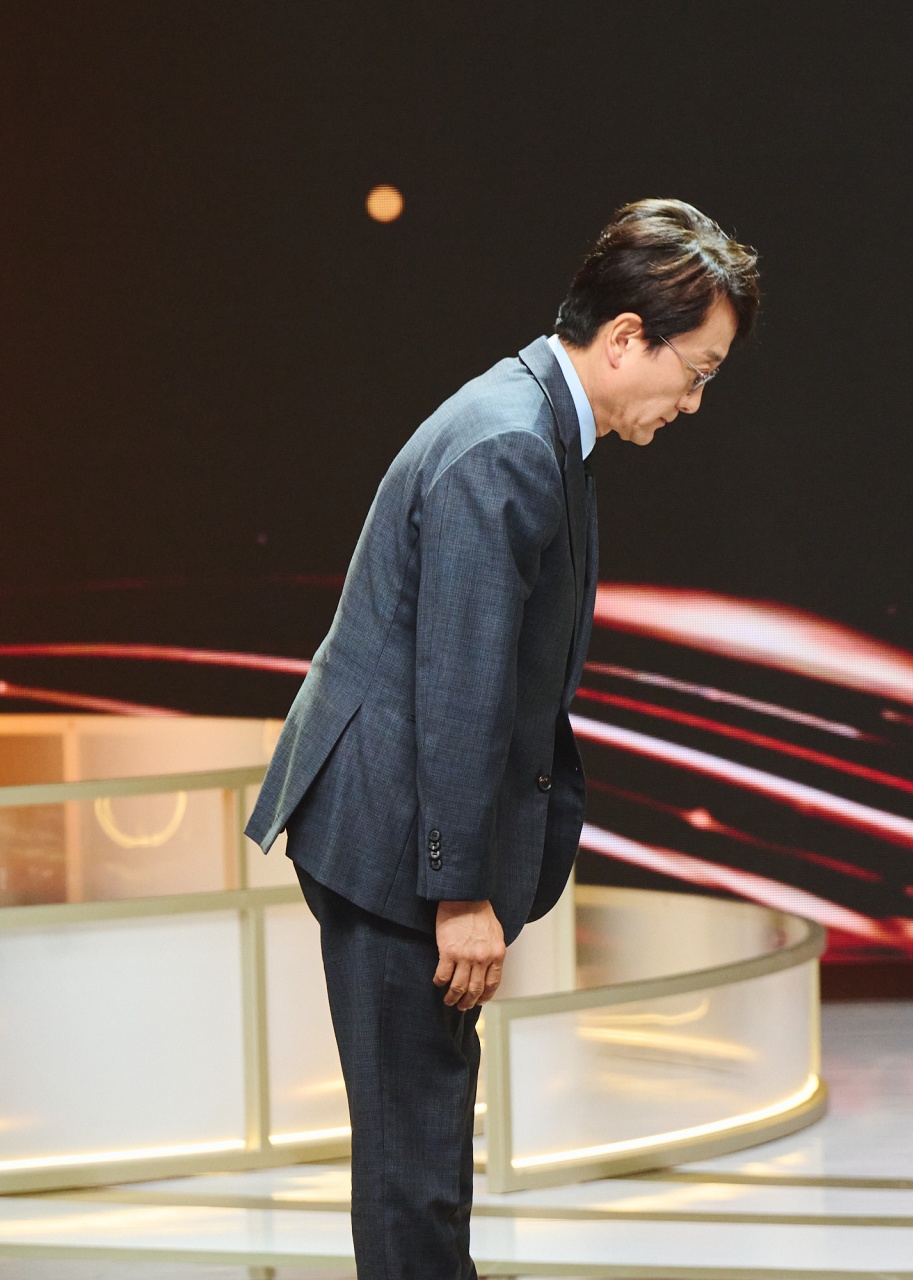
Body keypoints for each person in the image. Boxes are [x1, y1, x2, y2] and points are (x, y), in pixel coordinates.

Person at [245, 199, 759, 1277]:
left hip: (395, 824)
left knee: (422, 1153)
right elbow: (462, 687)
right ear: (627, 337)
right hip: (391, 840)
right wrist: (461, 893)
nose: (695, 402)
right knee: (415, 1171)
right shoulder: (511, 446)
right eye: (696, 372)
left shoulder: (535, 419)